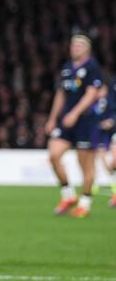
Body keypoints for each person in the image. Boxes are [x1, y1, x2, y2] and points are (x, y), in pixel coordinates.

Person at [45, 35, 104, 218]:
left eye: (80, 45)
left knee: (85, 164)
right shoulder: (67, 69)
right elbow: (61, 94)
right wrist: (53, 118)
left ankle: (85, 204)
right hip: (66, 121)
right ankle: (68, 195)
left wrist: (75, 113)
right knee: (54, 155)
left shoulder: (92, 67)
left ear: (87, 49)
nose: (75, 48)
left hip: (85, 121)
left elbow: (92, 93)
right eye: (73, 45)